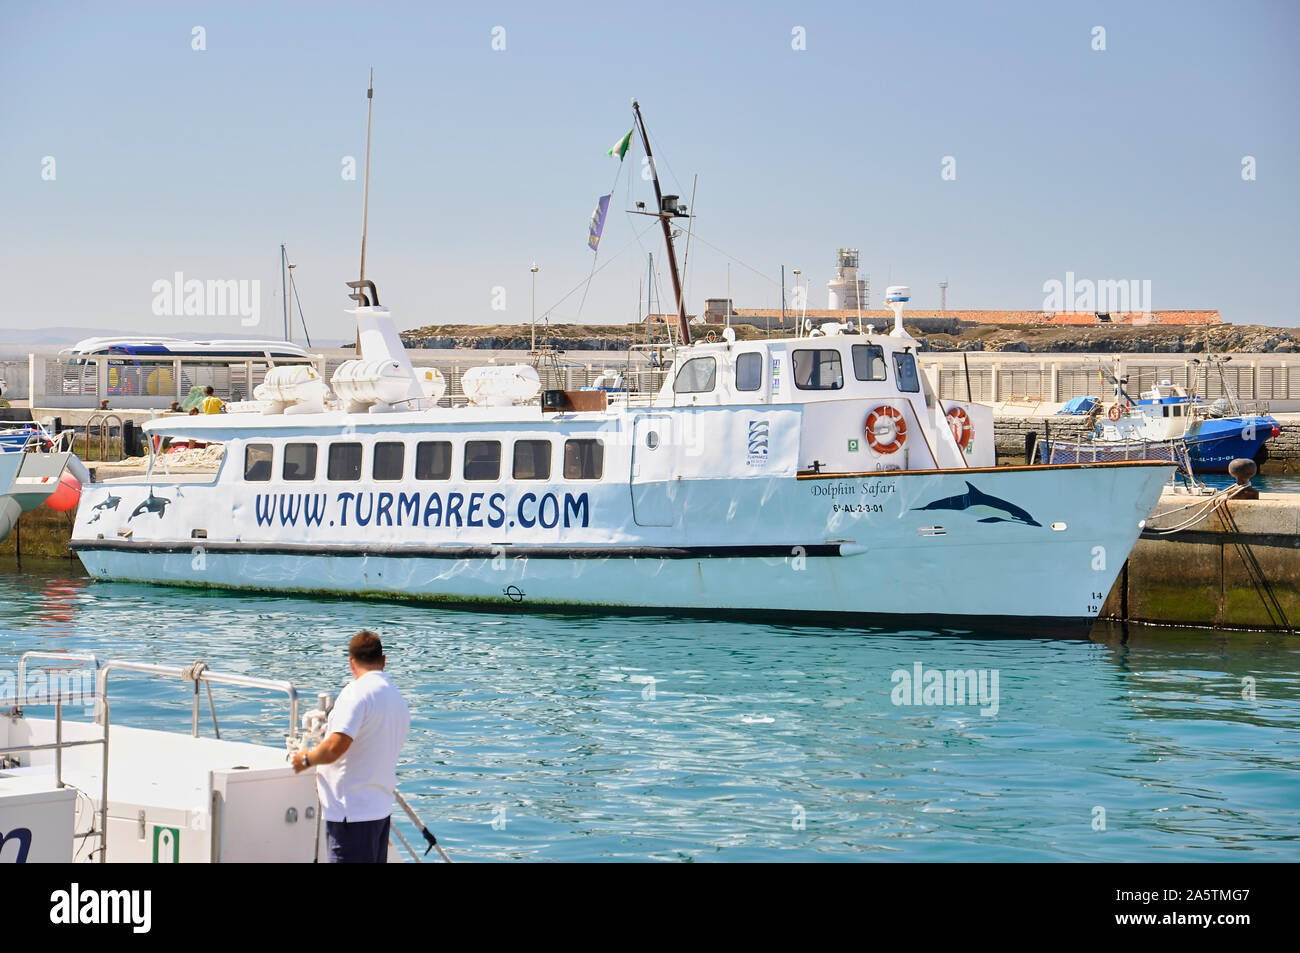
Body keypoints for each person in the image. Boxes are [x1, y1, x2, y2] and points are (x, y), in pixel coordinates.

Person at [292, 630, 410, 863]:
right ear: (383, 660)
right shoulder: (397, 698)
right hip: (379, 808)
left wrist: (306, 759)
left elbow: (337, 745)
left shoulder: (355, 694)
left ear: (351, 662)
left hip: (351, 813)